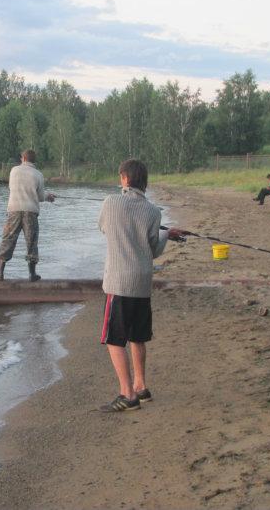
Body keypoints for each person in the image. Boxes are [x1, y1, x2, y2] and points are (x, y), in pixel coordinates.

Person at [97, 158, 188, 412]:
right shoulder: (153, 211)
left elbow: (103, 228)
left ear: (125, 178)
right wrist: (165, 234)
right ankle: (141, 387)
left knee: (114, 340)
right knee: (137, 337)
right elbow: (153, 250)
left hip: (119, 283)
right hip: (142, 283)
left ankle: (127, 394)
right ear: (144, 181)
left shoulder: (110, 202)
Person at [0, 149, 55, 281]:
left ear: (23, 159)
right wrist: (48, 196)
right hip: (30, 212)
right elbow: (39, 196)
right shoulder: (38, 174)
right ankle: (32, 274)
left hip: (14, 210)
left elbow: (11, 188)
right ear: (34, 160)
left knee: (8, 239)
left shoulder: (14, 171)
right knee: (31, 242)